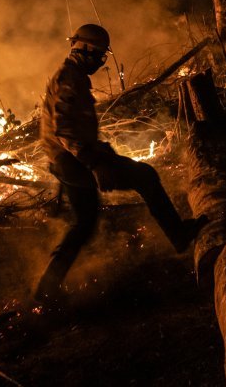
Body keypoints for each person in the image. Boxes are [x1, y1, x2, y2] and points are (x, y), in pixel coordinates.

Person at [35, 23, 207, 301]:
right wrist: (96, 163)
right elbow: (65, 129)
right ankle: (179, 236)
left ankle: (46, 289)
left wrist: (102, 151)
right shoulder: (69, 78)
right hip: (73, 160)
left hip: (72, 158)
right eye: (99, 55)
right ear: (85, 50)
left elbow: (74, 129)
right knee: (143, 178)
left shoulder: (73, 76)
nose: (100, 62)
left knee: (86, 221)